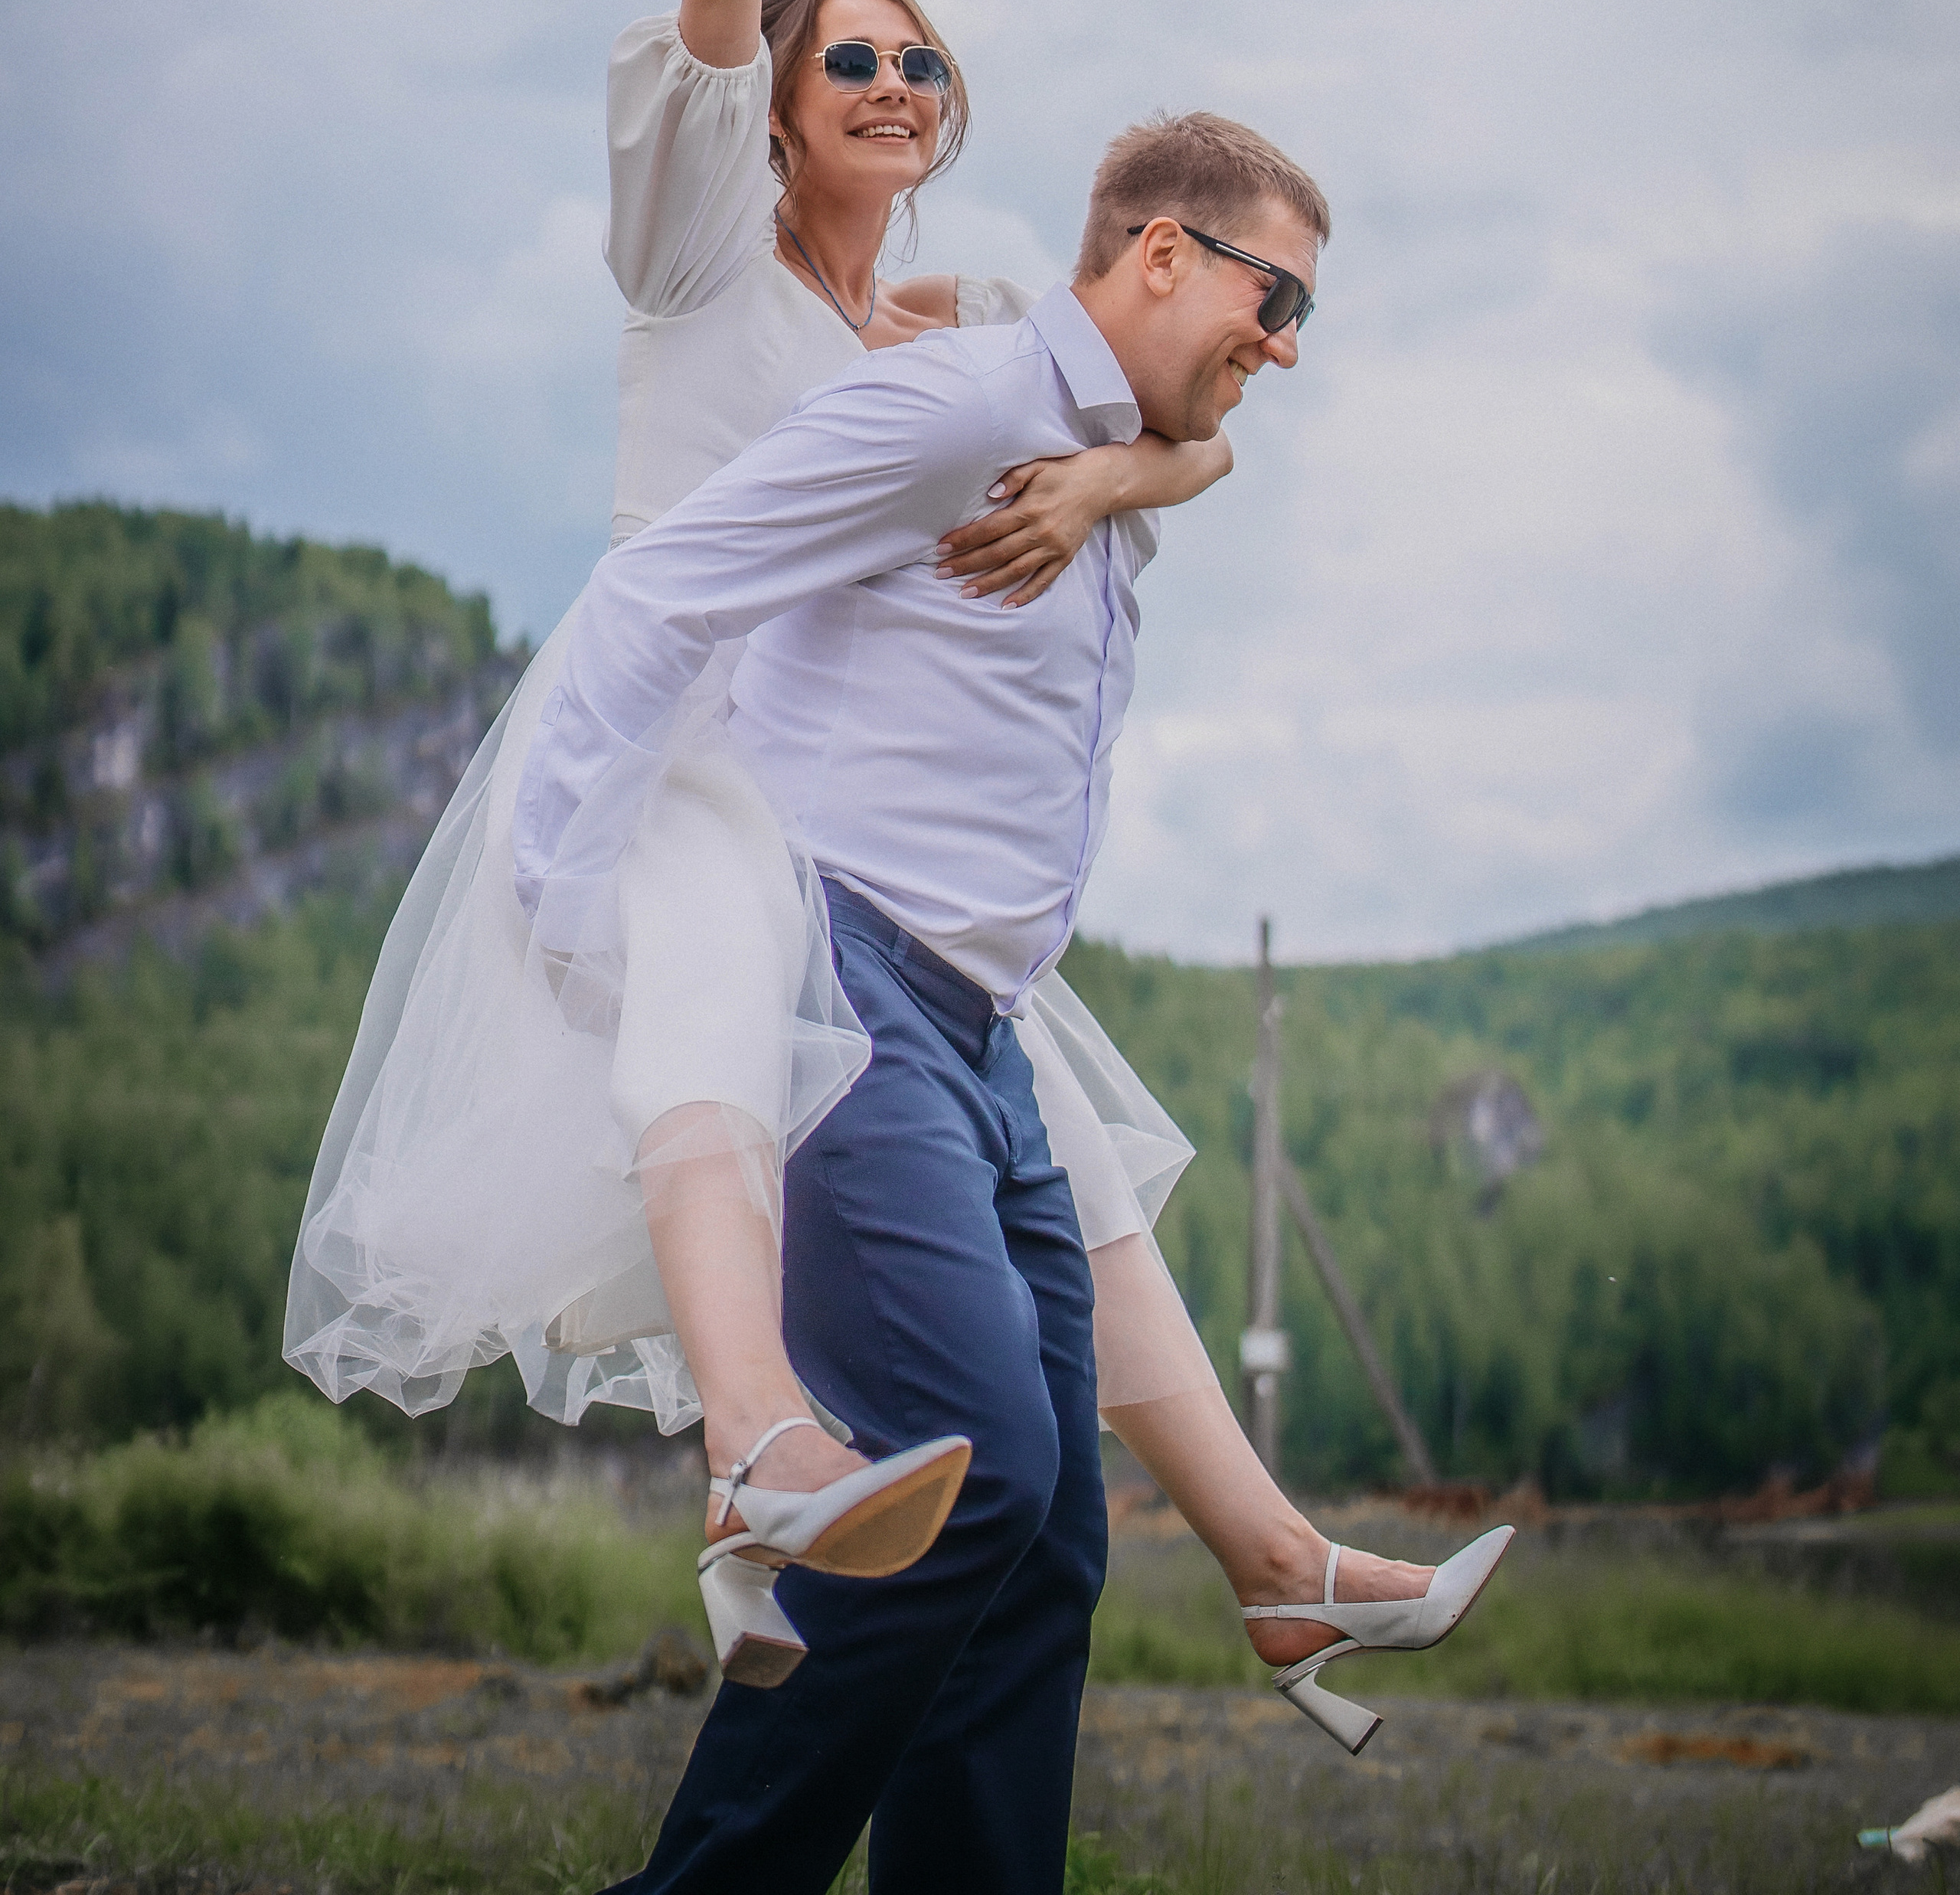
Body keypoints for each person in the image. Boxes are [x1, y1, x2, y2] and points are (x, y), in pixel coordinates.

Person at [285, 0, 1500, 1784]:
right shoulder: (693, 254)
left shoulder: (937, 335)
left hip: (836, 791)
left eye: (930, 59)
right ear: (772, 90)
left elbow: (1186, 430)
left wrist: (1120, 489)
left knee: (1071, 1137)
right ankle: (760, 1460)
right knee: (754, 1065)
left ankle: (1261, 1548)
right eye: (856, 54)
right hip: (680, 749)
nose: (901, 79)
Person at [514, 103, 1511, 1894]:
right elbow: (662, 585)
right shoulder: (963, 404)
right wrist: (569, 902)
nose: (1281, 347)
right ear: (1155, 255)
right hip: (853, 984)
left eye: (1303, 317)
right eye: (1270, 298)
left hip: (988, 1035)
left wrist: (1130, 472)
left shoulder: (1097, 438)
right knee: (970, 1470)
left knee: (1046, 1532)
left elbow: (1198, 449)